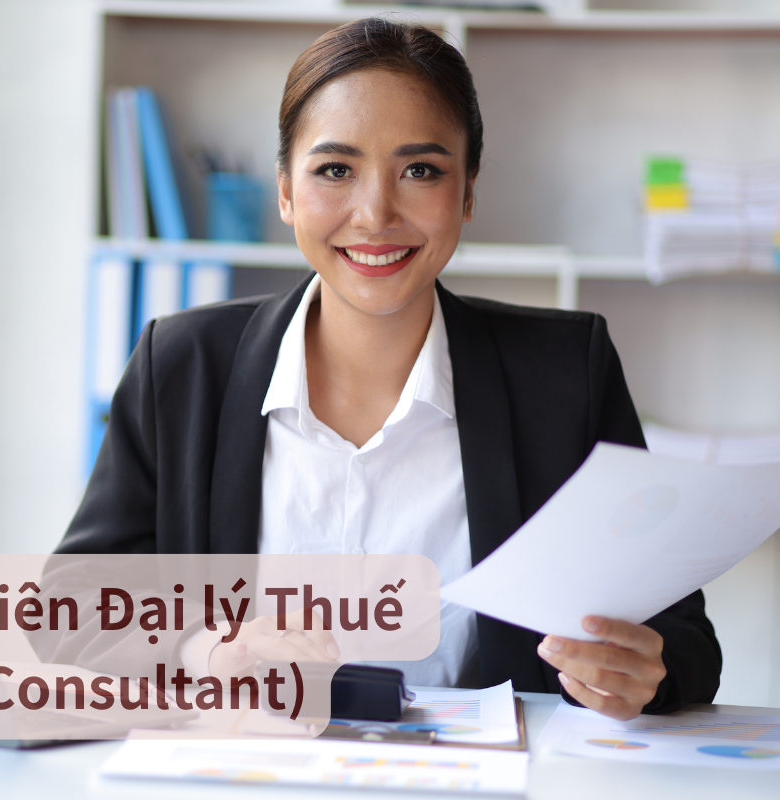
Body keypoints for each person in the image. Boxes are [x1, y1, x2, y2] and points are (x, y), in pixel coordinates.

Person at [58, 17, 721, 721]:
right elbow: (71, 612)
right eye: (335, 170)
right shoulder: (182, 366)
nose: (375, 214)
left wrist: (642, 672)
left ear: (467, 192)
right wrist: (206, 651)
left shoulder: (565, 376)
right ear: (285, 191)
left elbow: (682, 638)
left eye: (420, 171)